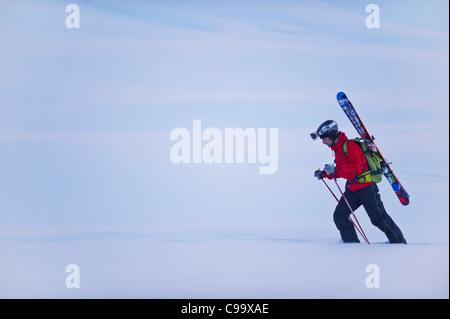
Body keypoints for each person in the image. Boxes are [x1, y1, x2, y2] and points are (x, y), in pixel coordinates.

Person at [311, 120, 407, 244]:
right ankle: (351, 246)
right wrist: (325, 173)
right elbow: (343, 171)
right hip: (352, 188)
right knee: (339, 216)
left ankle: (399, 244)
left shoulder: (350, 146)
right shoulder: (337, 150)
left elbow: (356, 168)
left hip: (367, 188)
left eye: (325, 138)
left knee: (379, 219)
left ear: (333, 134)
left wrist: (335, 169)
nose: (323, 142)